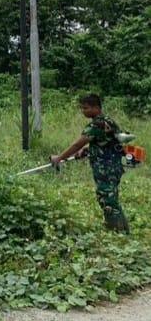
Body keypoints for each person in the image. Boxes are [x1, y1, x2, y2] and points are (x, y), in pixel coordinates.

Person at [50, 93, 129, 233]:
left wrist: (59, 158)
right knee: (111, 198)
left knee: (107, 200)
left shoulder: (97, 124)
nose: (83, 111)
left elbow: (77, 144)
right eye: (82, 108)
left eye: (86, 108)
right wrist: (87, 151)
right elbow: (104, 143)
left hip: (106, 167)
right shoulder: (108, 121)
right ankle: (120, 230)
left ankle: (118, 233)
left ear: (96, 107)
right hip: (112, 166)